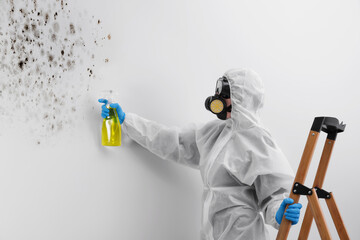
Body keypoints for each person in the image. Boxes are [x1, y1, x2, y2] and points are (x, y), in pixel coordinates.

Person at [98, 68, 302, 240]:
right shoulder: (215, 133)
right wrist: (127, 121)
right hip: (212, 232)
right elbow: (173, 141)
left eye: (225, 94)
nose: (218, 99)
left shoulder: (257, 139)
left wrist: (278, 212)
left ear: (242, 99)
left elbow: (275, 192)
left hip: (243, 235)